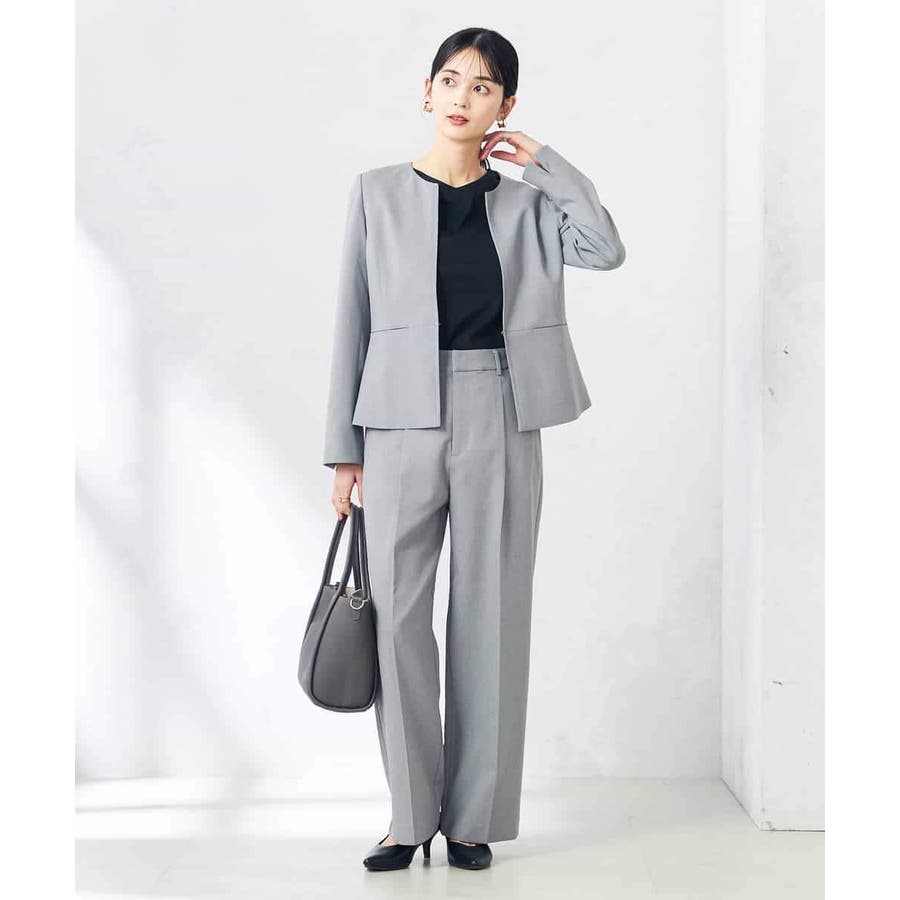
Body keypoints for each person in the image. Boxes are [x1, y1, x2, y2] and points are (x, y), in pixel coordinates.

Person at [321, 27, 625, 872]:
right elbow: (351, 318)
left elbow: (605, 248)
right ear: (427, 91)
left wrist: (548, 165)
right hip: (397, 421)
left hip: (502, 406)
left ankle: (472, 819)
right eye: (451, 80)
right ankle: (408, 817)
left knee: (491, 615)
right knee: (396, 621)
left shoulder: (530, 207)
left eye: (483, 87)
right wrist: (344, 449)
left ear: (506, 106)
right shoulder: (376, 193)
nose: (463, 97)